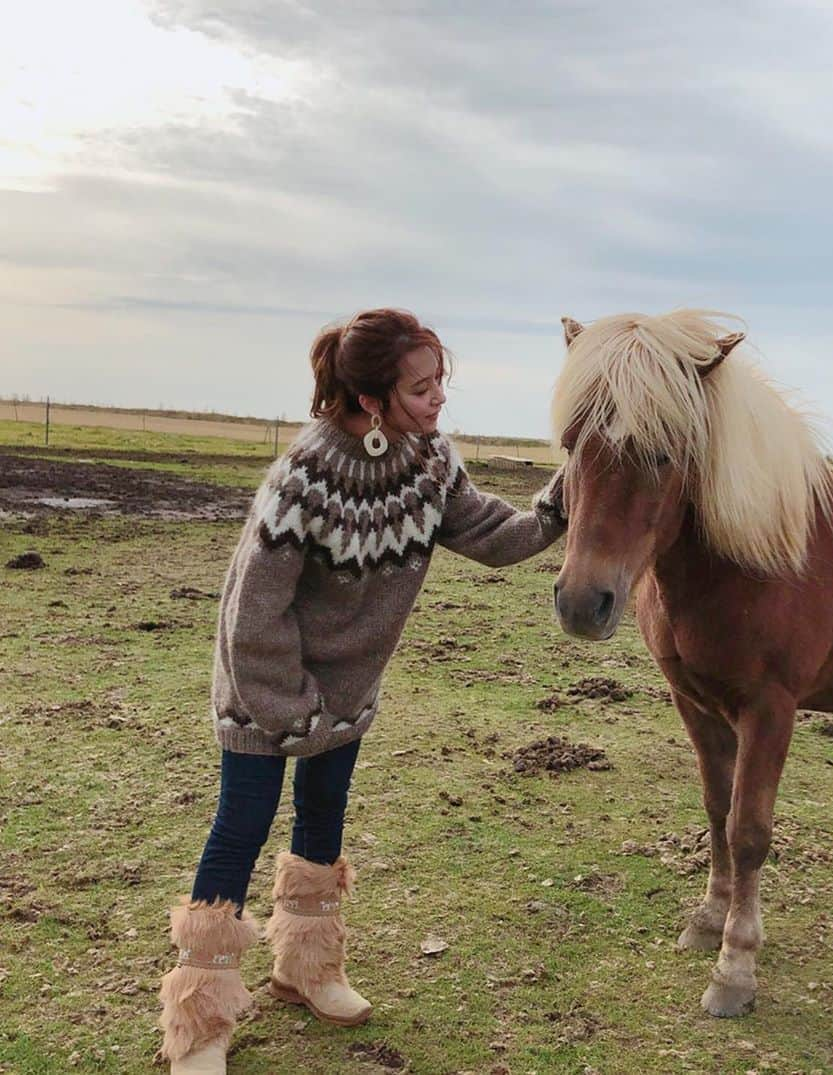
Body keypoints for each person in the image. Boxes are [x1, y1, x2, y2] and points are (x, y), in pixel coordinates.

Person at [158, 308, 566, 1074]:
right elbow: (253, 610)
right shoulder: (305, 475)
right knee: (239, 829)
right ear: (372, 399)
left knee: (323, 815)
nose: (439, 396)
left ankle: (306, 968)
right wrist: (292, 708)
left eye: (441, 378)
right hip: (263, 685)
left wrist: (562, 502)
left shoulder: (430, 461)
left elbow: (491, 534)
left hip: (346, 692)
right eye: (422, 385)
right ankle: (200, 1020)